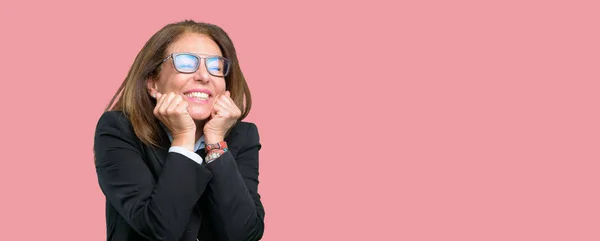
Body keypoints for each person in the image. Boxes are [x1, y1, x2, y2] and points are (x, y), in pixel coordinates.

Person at [93, 20, 265, 241]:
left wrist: (216, 144)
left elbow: (244, 234)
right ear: (153, 83)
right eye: (185, 63)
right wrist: (183, 139)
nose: (204, 76)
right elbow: (159, 230)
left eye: (215, 67)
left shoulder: (244, 135)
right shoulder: (119, 129)